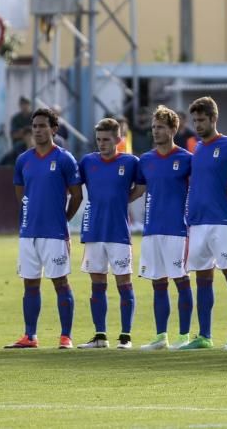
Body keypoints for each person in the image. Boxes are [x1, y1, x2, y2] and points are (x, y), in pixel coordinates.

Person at [5, 107, 84, 349]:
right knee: (30, 283)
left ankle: (66, 336)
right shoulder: (23, 160)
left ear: (54, 129)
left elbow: (77, 195)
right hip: (28, 233)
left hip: (55, 234)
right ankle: (30, 336)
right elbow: (21, 194)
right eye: (35, 126)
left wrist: (63, 218)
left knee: (60, 282)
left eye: (42, 126)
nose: (38, 130)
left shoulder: (64, 159)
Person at [179, 97, 227, 350]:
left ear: (213, 119)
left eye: (201, 120)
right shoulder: (196, 148)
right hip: (197, 223)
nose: (197, 125)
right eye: (194, 120)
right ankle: (205, 336)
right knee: (202, 278)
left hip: (223, 221)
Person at [74, 118, 143, 349]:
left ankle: (125, 336)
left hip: (119, 233)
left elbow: (141, 187)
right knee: (97, 284)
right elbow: (73, 187)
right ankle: (100, 336)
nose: (101, 144)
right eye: (99, 140)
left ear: (118, 140)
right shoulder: (88, 162)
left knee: (124, 283)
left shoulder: (130, 162)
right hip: (93, 232)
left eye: (106, 140)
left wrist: (124, 199)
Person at [136, 106, 195, 350]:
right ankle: (161, 336)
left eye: (161, 127)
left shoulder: (186, 159)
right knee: (157, 283)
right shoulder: (146, 160)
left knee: (181, 281)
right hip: (152, 231)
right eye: (153, 127)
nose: (156, 131)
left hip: (177, 230)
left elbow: (198, 191)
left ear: (173, 129)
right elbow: (137, 191)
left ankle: (184, 336)